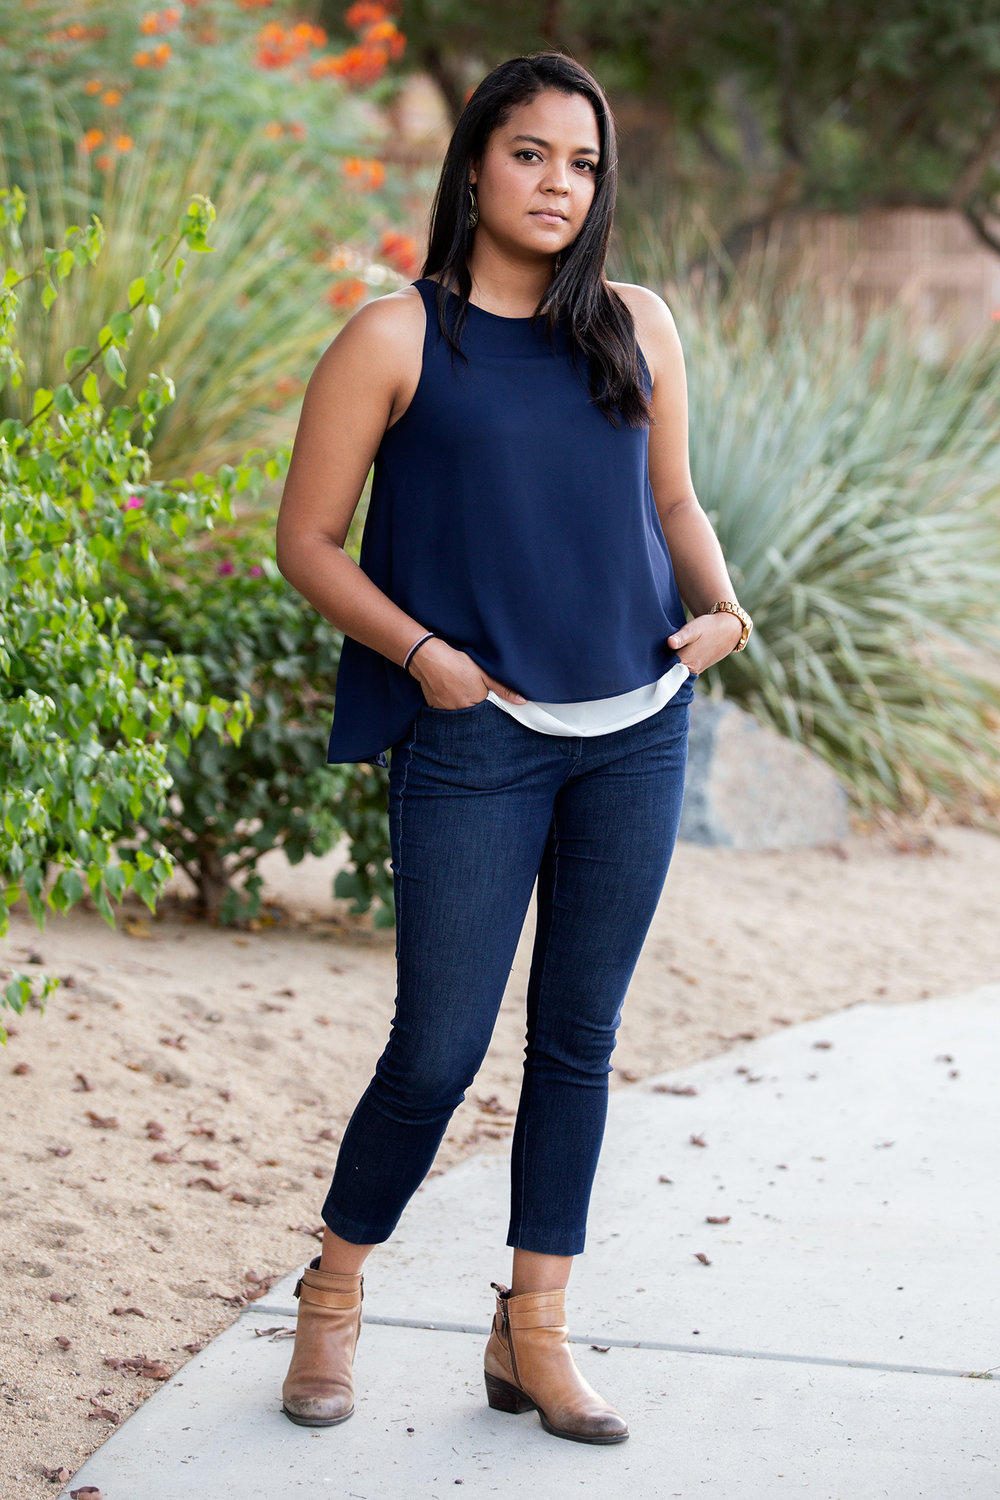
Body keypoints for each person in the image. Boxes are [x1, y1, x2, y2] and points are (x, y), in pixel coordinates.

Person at [274, 51, 752, 1447]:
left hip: (636, 732)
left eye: (584, 162)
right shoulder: (395, 338)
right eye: (532, 153)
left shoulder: (639, 325)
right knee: (435, 1047)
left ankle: (530, 1329)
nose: (560, 183)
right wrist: (424, 656)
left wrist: (720, 605)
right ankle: (334, 1294)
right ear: (474, 163)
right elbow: (304, 541)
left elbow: (674, 503)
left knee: (580, 1040)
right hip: (476, 735)